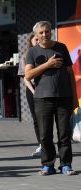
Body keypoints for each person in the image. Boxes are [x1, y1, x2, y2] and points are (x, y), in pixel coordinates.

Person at [25, 21, 79, 176]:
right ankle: (48, 164)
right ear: (36, 35)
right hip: (42, 99)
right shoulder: (32, 52)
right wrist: (48, 64)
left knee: (64, 134)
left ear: (51, 32)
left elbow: (70, 74)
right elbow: (28, 75)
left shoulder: (61, 47)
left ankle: (66, 165)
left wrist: (74, 97)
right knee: (45, 134)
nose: (45, 35)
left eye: (47, 31)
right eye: (41, 33)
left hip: (64, 97)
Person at [17, 33, 41, 157]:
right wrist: (33, 91)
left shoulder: (44, 54)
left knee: (46, 118)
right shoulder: (25, 57)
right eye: (35, 40)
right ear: (30, 42)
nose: (37, 41)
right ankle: (41, 145)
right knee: (36, 119)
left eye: (38, 40)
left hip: (45, 88)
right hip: (32, 89)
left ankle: (48, 144)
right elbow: (25, 78)